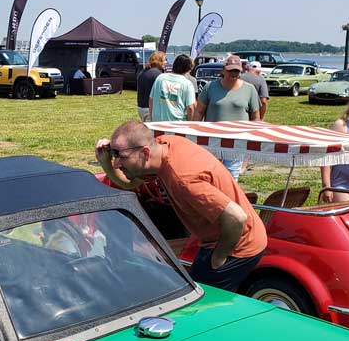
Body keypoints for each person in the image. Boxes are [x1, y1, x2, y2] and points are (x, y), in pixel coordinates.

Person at [95, 121, 266, 292]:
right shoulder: (164, 146)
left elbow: (237, 217)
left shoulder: (183, 179)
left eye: (121, 157)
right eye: (114, 155)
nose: (117, 163)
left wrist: (219, 257)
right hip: (218, 240)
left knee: (203, 305)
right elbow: (129, 184)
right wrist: (106, 163)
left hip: (238, 245)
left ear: (145, 153)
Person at [195, 54, 260, 179]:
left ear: (241, 71)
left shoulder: (249, 89)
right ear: (223, 70)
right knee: (210, 175)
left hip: (237, 142)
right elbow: (199, 111)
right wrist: (195, 132)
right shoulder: (210, 87)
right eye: (230, 70)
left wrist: (252, 139)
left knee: (231, 177)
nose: (233, 73)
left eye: (236, 70)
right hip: (212, 141)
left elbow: (255, 117)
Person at [148, 53, 196, 122]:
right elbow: (191, 108)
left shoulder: (160, 78)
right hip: (177, 126)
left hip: (158, 124)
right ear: (188, 70)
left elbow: (151, 99)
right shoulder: (187, 84)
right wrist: (190, 125)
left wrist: (152, 118)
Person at [136, 50, 165, 121]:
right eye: (164, 60)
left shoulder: (143, 72)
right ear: (159, 61)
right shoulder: (158, 75)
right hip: (150, 109)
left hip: (141, 107)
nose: (165, 62)